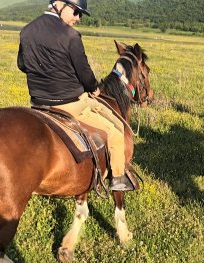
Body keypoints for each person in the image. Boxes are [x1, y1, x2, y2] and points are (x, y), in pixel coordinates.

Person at [17, 0, 135, 191]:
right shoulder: (71, 36)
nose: (78, 18)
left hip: (39, 102)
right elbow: (84, 72)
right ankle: (118, 178)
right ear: (57, 3)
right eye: (75, 11)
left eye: (80, 14)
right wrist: (93, 87)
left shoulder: (27, 30)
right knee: (116, 130)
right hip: (71, 103)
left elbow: (22, 65)